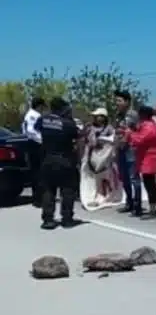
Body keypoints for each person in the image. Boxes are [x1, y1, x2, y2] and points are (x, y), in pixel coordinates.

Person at [34, 97, 79, 230]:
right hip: (65, 160)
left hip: (47, 159)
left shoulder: (42, 119)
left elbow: (37, 129)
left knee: (48, 189)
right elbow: (76, 135)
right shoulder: (68, 123)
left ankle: (48, 219)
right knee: (68, 189)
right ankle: (67, 218)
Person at [126, 105, 156, 218]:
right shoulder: (149, 125)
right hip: (147, 157)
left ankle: (153, 209)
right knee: (150, 183)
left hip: (149, 157)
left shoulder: (149, 127)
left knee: (149, 184)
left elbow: (140, 140)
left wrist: (131, 134)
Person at [114, 89, 141, 216]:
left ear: (127, 102)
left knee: (133, 178)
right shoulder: (118, 115)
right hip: (120, 149)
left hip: (131, 150)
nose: (117, 103)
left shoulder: (133, 115)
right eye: (116, 101)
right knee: (124, 178)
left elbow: (137, 131)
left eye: (119, 101)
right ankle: (129, 202)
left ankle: (137, 205)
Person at [22, 95, 46, 207]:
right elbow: (31, 131)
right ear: (39, 105)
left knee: (36, 172)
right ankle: (38, 199)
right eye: (42, 106)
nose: (43, 109)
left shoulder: (31, 114)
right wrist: (42, 141)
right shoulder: (33, 115)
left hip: (33, 144)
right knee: (38, 172)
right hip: (35, 145)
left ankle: (38, 198)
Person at [86, 107, 116, 173]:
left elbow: (113, 141)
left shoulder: (109, 128)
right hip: (91, 157)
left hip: (104, 159)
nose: (94, 117)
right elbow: (86, 141)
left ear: (103, 117)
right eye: (94, 116)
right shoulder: (89, 127)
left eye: (97, 116)